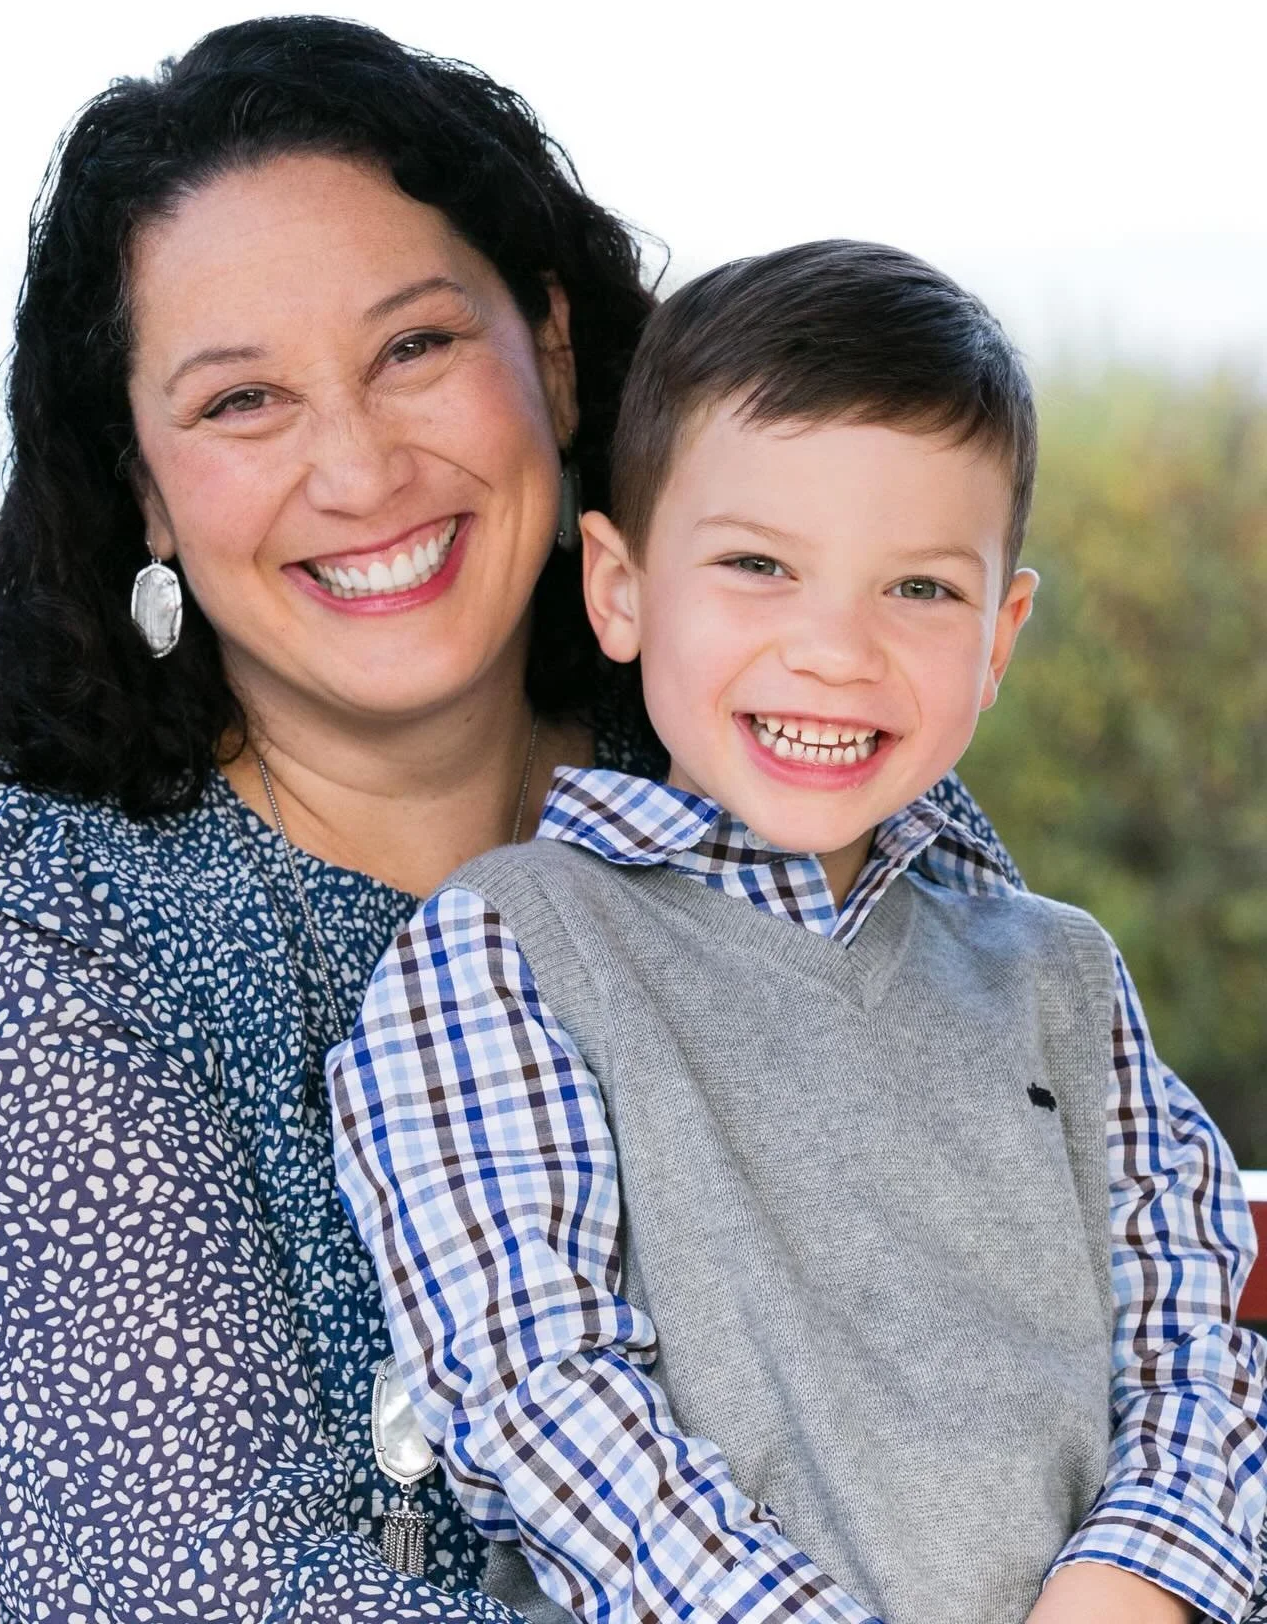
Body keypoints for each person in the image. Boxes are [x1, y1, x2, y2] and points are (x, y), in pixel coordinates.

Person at [0, 19, 1016, 1624]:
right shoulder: (24, 915)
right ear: (146, 488)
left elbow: (1065, 1324)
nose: (359, 468)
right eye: (243, 400)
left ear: (550, 344)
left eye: (413, 350)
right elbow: (203, 1592)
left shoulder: (793, 775)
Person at [330, 243, 1267, 1624]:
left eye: (921, 590)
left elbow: (1188, 1350)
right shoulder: (507, 950)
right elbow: (542, 1399)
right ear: (621, 587)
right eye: (760, 565)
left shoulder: (1059, 976)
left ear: (1001, 635)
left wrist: (1133, 1584)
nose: (836, 648)